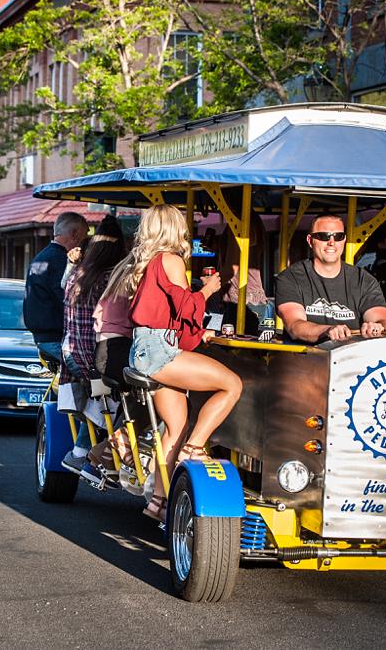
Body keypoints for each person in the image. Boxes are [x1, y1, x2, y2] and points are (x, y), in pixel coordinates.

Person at [123, 204, 243, 521]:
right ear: (175, 229)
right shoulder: (170, 259)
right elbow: (186, 307)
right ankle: (195, 449)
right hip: (160, 350)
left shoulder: (149, 262)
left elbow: (173, 315)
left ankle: (158, 502)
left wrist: (197, 332)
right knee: (233, 384)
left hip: (146, 348)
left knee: (175, 427)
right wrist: (208, 290)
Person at [59, 217, 126, 480]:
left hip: (69, 352)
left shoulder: (77, 273)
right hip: (92, 356)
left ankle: (83, 451)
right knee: (122, 398)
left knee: (102, 397)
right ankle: (86, 455)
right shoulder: (111, 277)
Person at [276, 215, 386, 343]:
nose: (331, 242)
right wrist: (327, 331)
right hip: (304, 358)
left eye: (338, 236)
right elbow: (295, 326)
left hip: (353, 358)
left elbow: (382, 321)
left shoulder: (364, 280)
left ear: (344, 240)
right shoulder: (290, 278)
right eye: (323, 236)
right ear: (310, 240)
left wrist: (376, 327)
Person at [24, 211, 88, 363]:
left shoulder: (41, 257)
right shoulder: (60, 260)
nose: (85, 242)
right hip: (55, 336)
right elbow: (66, 297)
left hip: (43, 336)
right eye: (85, 235)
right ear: (74, 234)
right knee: (85, 373)